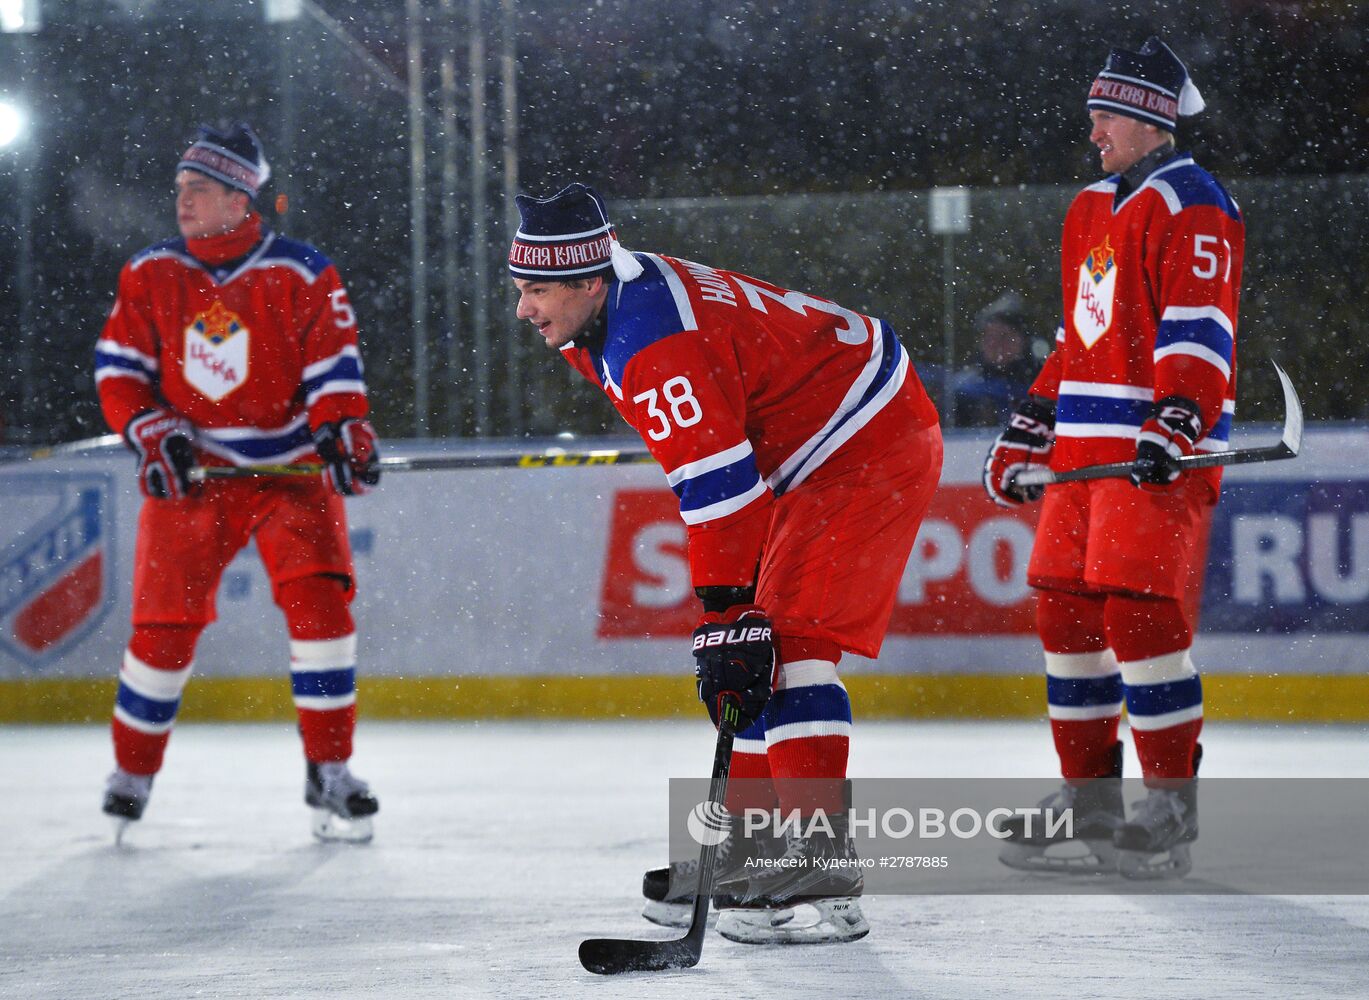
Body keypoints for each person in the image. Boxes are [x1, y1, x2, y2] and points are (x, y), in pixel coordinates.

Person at [509, 184, 942, 944]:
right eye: (518, 291)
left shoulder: (650, 343)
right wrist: (731, 621)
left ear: (587, 280)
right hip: (816, 439)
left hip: (863, 440)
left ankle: (819, 862)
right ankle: (746, 855)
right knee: (753, 652)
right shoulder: (609, 304)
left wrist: (722, 612)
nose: (522, 311)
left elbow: (721, 490)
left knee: (789, 640)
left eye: (536, 291)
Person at [983, 38, 1243, 878]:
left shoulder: (1195, 202)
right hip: (1082, 456)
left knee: (1139, 616)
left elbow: (1201, 325)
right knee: (1063, 613)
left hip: (1152, 456)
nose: (1091, 129)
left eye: (1104, 115)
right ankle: (1088, 799)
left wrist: (1176, 419)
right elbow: (1079, 337)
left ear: (1146, 117)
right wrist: (1032, 419)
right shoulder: (1090, 204)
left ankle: (1169, 806)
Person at [93, 124, 382, 843]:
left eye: (198, 189)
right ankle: (131, 773)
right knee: (161, 634)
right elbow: (119, 372)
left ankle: (330, 769)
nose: (182, 201)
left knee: (323, 618)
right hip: (194, 481)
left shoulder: (304, 272)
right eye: (180, 189)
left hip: (290, 476)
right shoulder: (149, 273)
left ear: (238, 197)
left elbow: (333, 369)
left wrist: (343, 425)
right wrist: (149, 428)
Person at [951, 292, 1040, 426]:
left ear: (1022, 340)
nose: (996, 344)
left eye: (1004, 336)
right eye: (989, 337)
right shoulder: (965, 389)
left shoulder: (1039, 385)